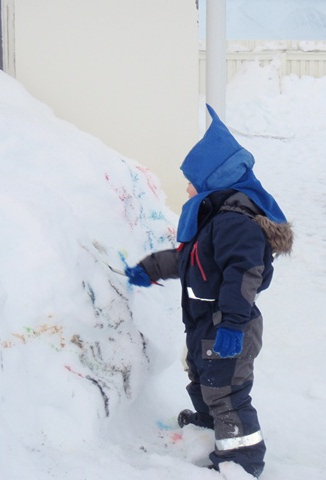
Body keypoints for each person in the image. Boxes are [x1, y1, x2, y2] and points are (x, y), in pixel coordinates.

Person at [124, 105, 293, 478]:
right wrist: (149, 269)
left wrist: (232, 324)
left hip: (228, 324)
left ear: (213, 179)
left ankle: (243, 459)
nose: (186, 187)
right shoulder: (215, 219)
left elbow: (243, 274)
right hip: (207, 320)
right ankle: (209, 426)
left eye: (191, 179)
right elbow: (192, 261)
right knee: (203, 379)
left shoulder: (235, 223)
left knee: (227, 392)